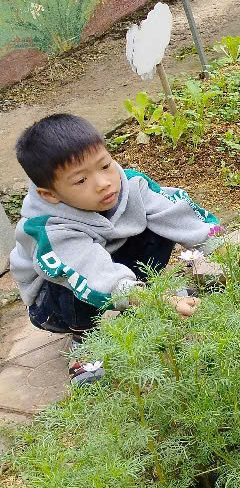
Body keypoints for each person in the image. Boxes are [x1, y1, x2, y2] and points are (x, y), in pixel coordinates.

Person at [9, 115, 219, 384]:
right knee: (71, 275)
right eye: (81, 181)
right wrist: (158, 301)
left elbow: (178, 215)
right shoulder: (48, 228)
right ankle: (86, 341)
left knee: (157, 226)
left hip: (112, 269)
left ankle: (139, 295)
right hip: (54, 300)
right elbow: (91, 270)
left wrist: (222, 247)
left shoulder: (130, 185)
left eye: (105, 165)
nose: (103, 183)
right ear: (50, 194)